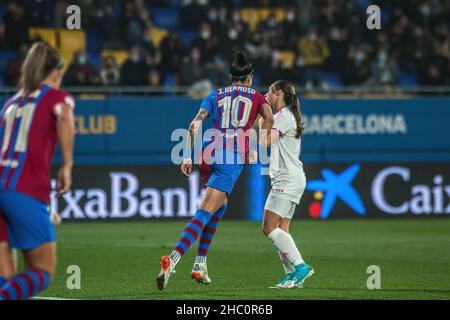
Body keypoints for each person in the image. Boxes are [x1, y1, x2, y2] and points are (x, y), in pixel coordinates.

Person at [156, 52, 274, 290]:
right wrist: (258, 146)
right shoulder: (259, 98)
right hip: (231, 156)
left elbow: (195, 124)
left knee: (220, 205)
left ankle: (200, 265)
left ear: (231, 77)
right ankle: (173, 259)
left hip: (209, 151)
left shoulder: (214, 94)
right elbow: (269, 118)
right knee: (205, 209)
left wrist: (187, 155)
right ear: (250, 78)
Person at [0, 42, 75, 300]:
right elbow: (64, 115)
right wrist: (66, 164)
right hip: (24, 190)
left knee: (5, 278)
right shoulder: (57, 97)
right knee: (42, 271)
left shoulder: (9, 105)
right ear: (55, 72)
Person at [260, 80, 313, 289]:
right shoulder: (287, 116)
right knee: (281, 230)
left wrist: (263, 115)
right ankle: (292, 277)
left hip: (286, 180)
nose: (266, 94)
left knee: (268, 227)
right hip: (293, 178)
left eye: (269, 91)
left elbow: (264, 141)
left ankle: (301, 267)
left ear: (278, 92)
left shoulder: (282, 116)